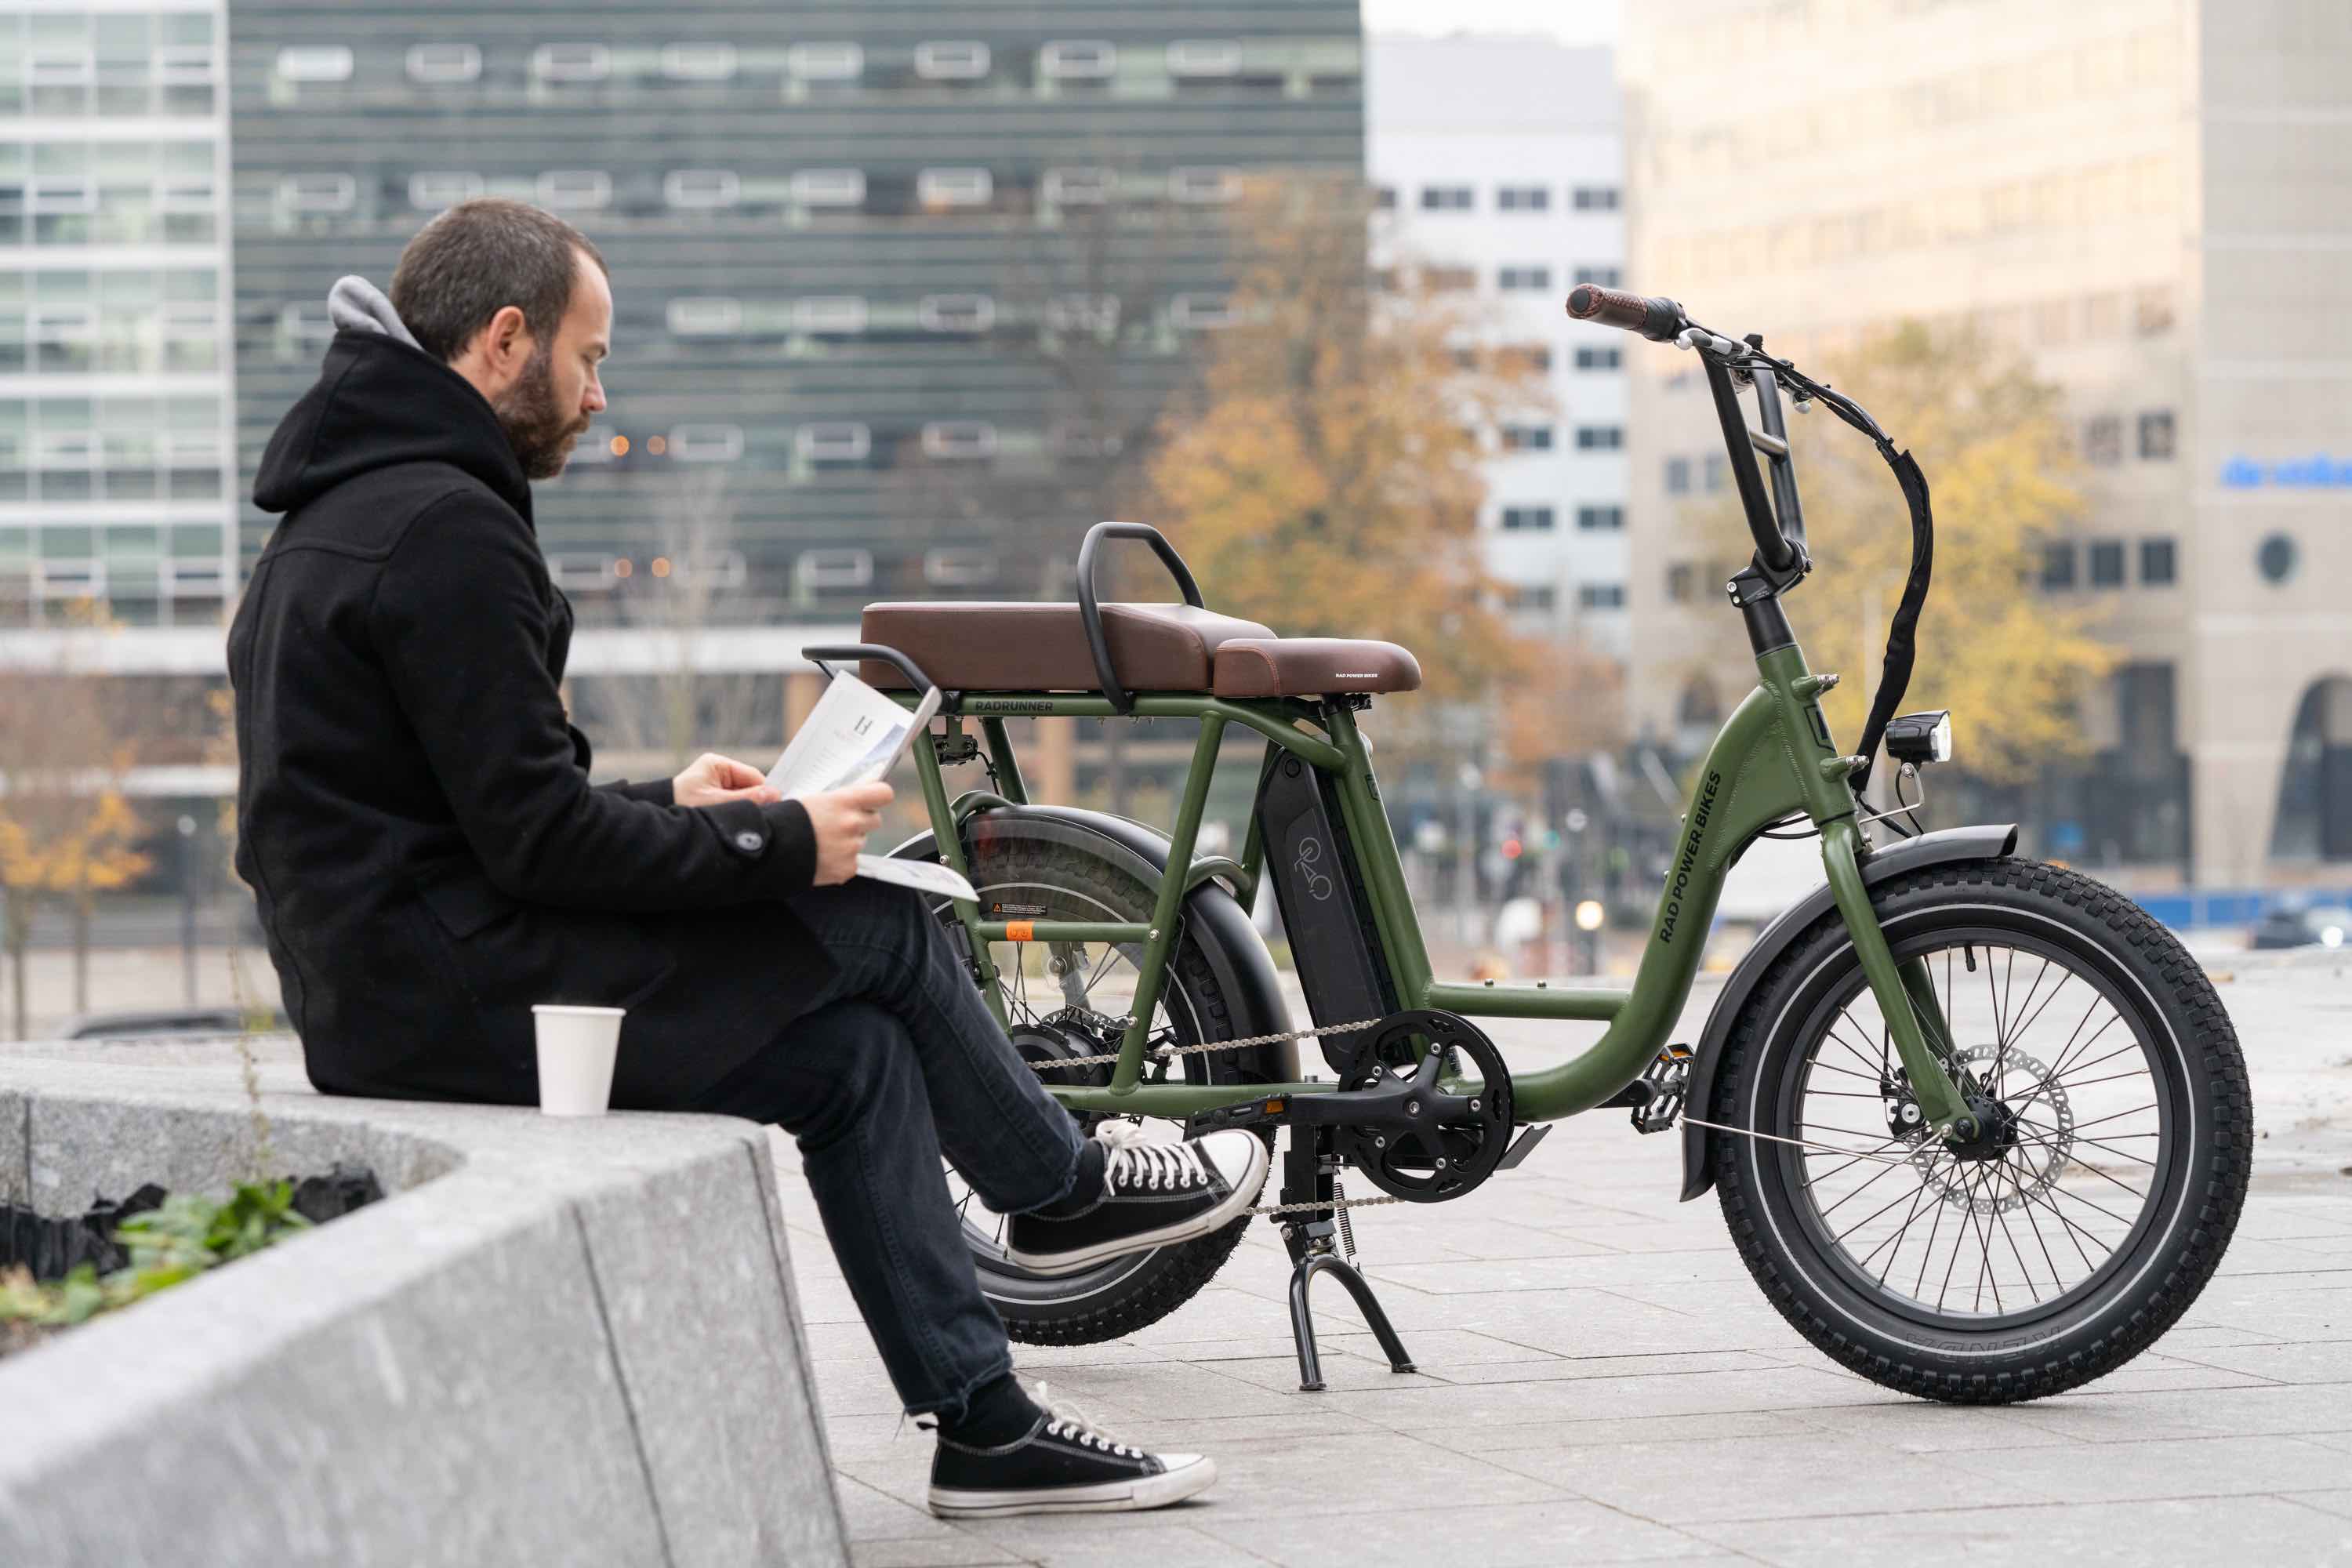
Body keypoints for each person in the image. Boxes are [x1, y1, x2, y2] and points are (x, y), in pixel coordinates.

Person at [227, 198, 1270, 1519]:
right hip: (458, 994)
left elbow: (465, 812)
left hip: (397, 985)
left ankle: (987, 1431)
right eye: (589, 357)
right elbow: (537, 845)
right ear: (505, 340)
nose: (601, 396)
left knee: (853, 1060)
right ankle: (1061, 1191)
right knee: (881, 930)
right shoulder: (445, 528)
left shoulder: (344, 514)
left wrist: (675, 797)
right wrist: (778, 839)